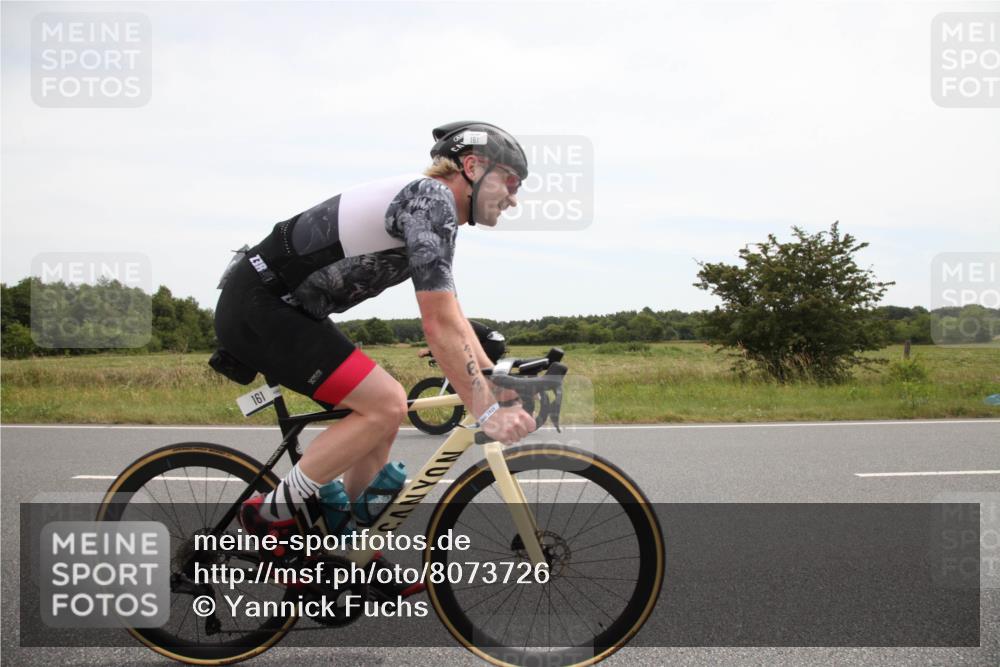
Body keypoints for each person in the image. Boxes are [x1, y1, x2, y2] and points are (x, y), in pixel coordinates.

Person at [213, 122, 536, 568]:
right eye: (511, 181)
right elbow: (438, 324)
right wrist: (485, 408)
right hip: (262, 303)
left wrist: (493, 377)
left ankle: (345, 552)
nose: (514, 197)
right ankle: (272, 513)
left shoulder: (432, 206)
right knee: (387, 403)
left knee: (383, 412)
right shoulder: (431, 199)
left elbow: (452, 312)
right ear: (473, 166)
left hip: (285, 308)